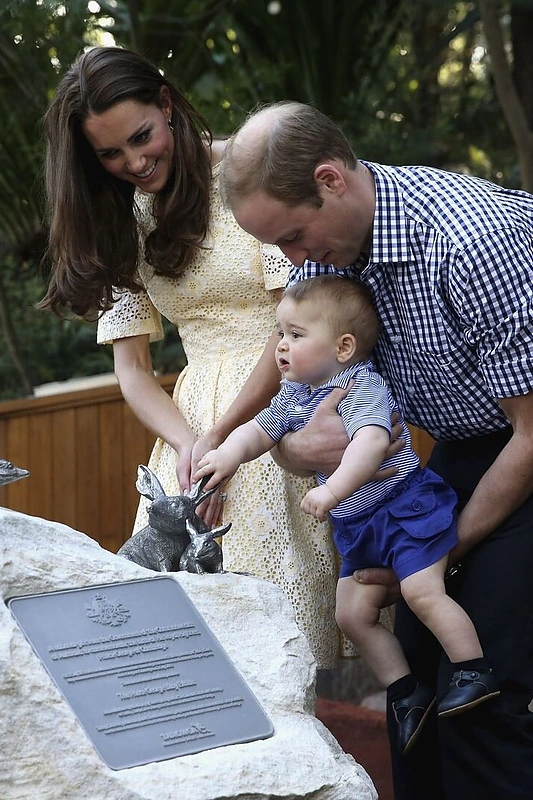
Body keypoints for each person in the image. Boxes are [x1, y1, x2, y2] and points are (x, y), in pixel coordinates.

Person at [217, 101, 533, 800]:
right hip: (451, 449)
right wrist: (291, 449)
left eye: (295, 238)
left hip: (521, 444)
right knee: (413, 685)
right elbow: (298, 427)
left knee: (482, 685)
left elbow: (528, 434)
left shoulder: (467, 240)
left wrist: (440, 549)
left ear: (330, 179)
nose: (294, 266)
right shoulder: (326, 256)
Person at [38, 47, 346, 669]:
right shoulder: (119, 216)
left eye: (141, 137)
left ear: (167, 105)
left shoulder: (249, 172)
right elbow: (132, 370)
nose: (132, 162)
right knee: (188, 649)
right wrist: (189, 445)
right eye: (110, 154)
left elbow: (294, 324)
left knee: (276, 649)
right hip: (192, 429)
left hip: (282, 402)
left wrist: (228, 437)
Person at [195, 274, 500, 754]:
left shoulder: (361, 385)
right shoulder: (294, 396)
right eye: (279, 333)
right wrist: (227, 454)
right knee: (351, 613)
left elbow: (372, 444)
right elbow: (258, 430)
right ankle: (405, 691)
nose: (281, 345)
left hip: (400, 511)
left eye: (296, 335)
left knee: (422, 592)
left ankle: (473, 669)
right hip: (360, 526)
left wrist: (333, 489)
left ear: (342, 347)